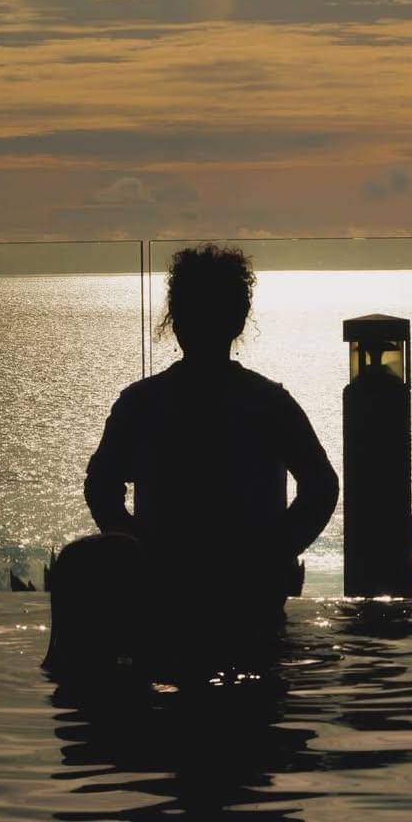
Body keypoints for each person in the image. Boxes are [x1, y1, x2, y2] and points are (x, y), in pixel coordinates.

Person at [72, 243, 338, 671]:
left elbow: (101, 486)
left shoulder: (141, 403)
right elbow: (321, 485)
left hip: (166, 598)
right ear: (238, 319)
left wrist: (139, 549)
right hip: (251, 603)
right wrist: (272, 552)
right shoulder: (268, 403)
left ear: (176, 321)